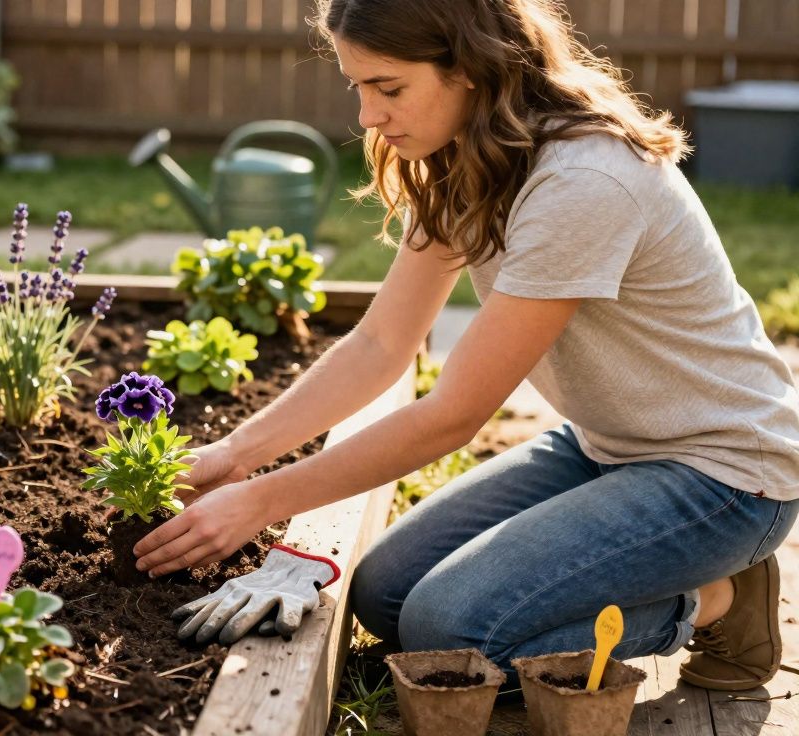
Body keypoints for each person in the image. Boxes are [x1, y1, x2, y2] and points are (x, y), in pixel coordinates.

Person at [135, 0, 799, 691]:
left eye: (389, 88)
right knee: (383, 594)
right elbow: (381, 343)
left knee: (450, 633)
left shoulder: (583, 181)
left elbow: (454, 414)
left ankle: (718, 599)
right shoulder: (469, 155)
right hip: (610, 445)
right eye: (358, 87)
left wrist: (259, 502)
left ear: (472, 68)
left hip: (723, 475)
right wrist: (235, 455)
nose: (368, 115)